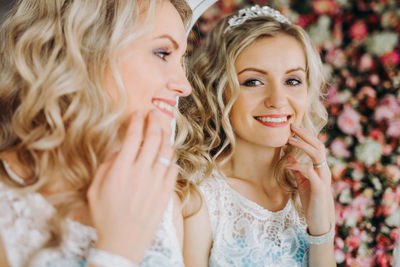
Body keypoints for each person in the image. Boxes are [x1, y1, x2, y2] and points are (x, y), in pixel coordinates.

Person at [0, 0, 192, 266]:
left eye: (181, 59)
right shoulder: (7, 203)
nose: (184, 86)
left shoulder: (159, 196)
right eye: (162, 53)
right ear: (86, 48)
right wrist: (116, 254)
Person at [176, 5, 336, 267]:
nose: (277, 100)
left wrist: (321, 230)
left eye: (292, 81)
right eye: (253, 81)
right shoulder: (197, 197)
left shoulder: (310, 190)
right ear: (219, 89)